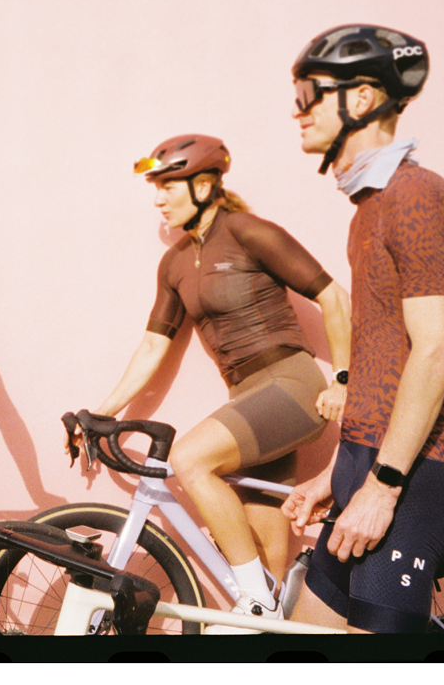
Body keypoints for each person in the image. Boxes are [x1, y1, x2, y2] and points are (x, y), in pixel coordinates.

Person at [281, 25, 444, 634]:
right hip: (368, 465)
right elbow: (386, 358)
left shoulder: (414, 194)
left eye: (310, 92)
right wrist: (337, 476)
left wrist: (380, 488)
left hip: (413, 477)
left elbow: (434, 354)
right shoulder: (370, 205)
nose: (296, 109)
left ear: (359, 99)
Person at [78, 134, 351, 623]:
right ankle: (273, 622)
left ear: (204, 185)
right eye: (155, 188)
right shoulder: (175, 262)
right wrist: (103, 410)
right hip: (248, 398)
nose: (158, 199)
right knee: (272, 563)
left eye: (168, 186)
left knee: (190, 458)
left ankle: (252, 597)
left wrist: (345, 381)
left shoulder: (248, 232)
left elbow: (334, 297)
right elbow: (153, 346)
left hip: (292, 385)